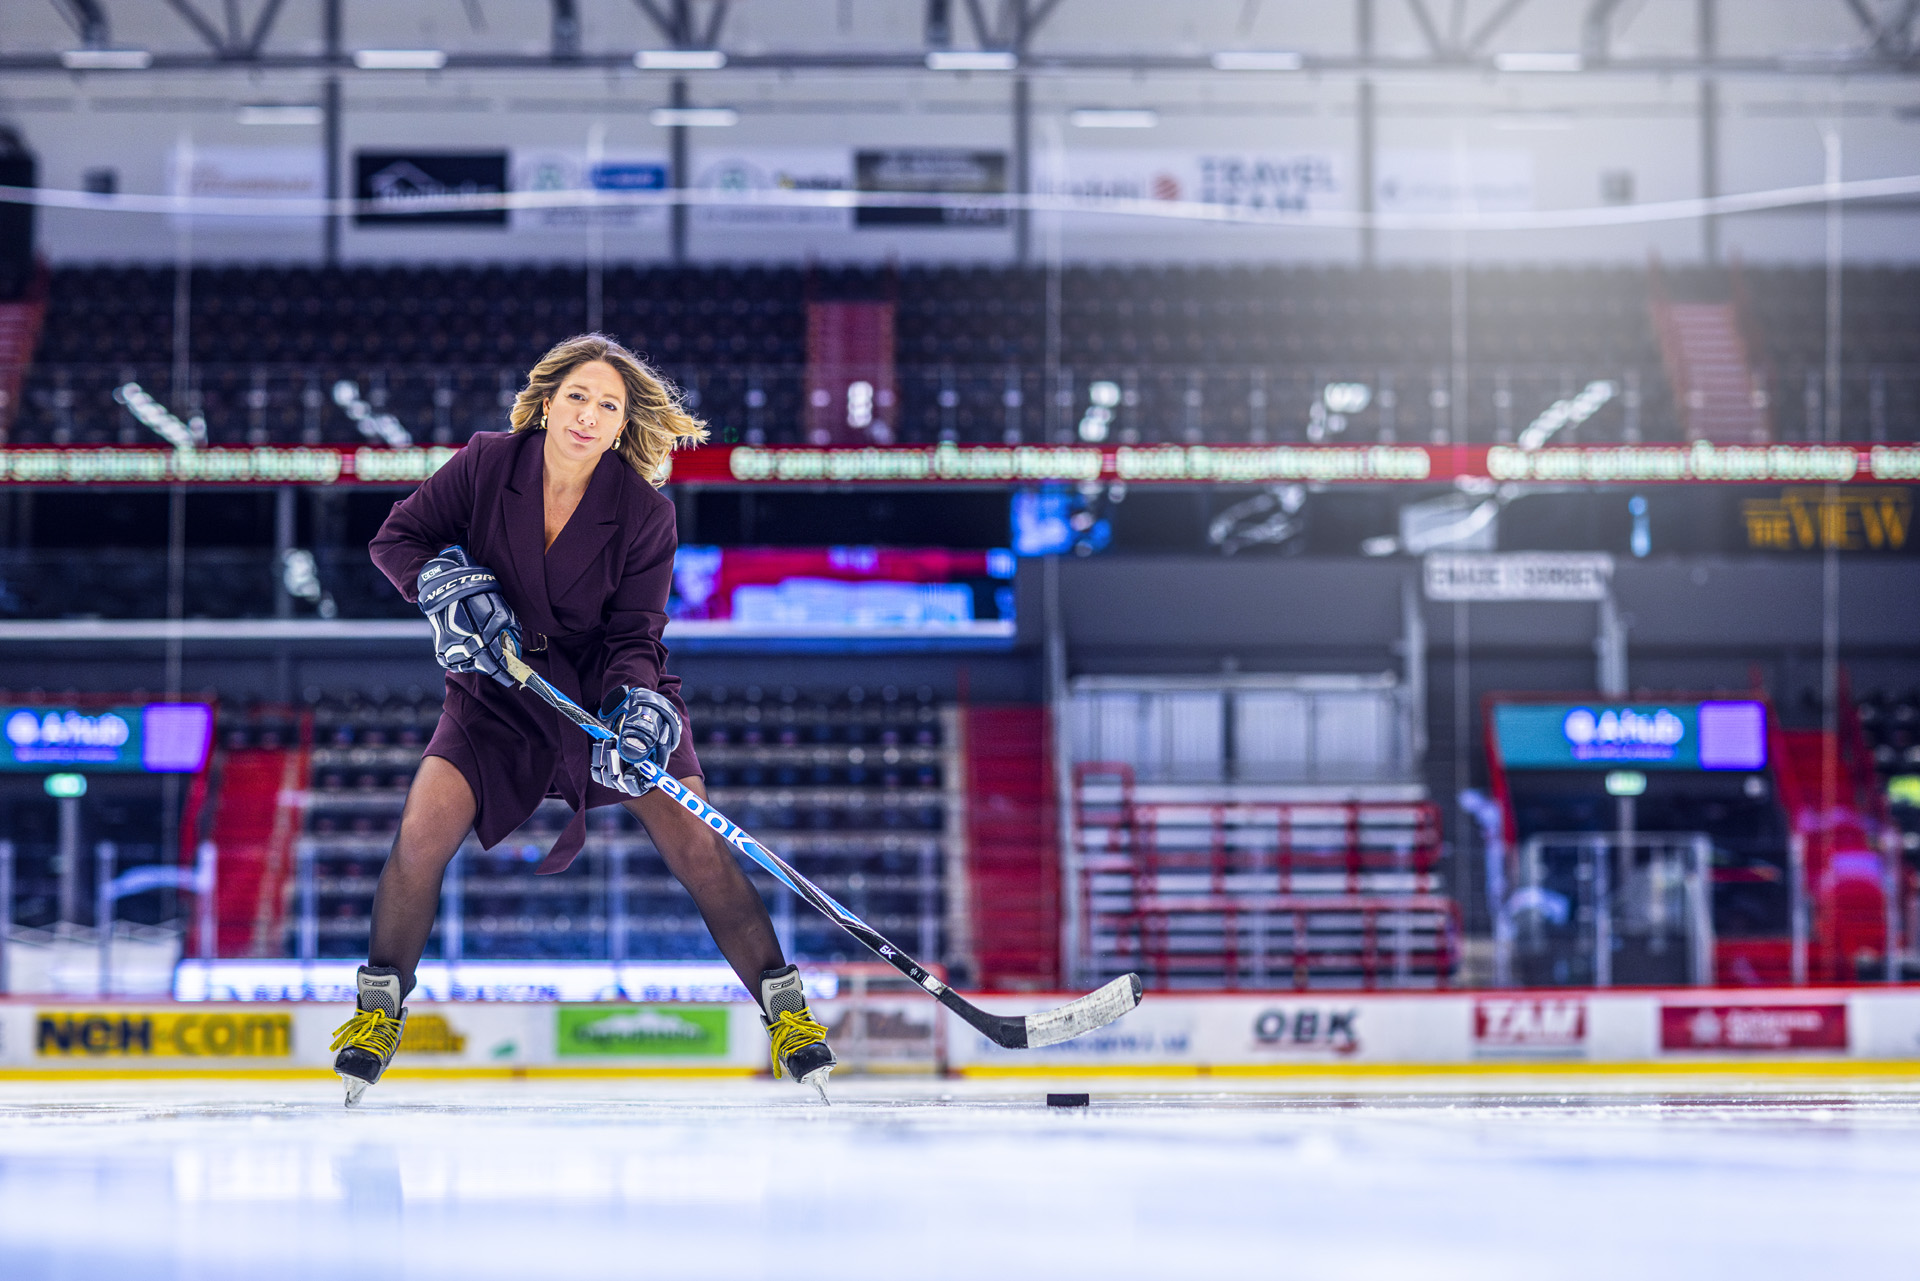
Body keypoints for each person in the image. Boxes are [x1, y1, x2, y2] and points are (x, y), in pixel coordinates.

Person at [328, 333, 834, 1105]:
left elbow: (637, 635)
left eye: (609, 405)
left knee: (698, 847)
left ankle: (786, 1012)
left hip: (609, 696)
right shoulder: (488, 462)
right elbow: (397, 537)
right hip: (495, 693)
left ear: (625, 423)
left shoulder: (643, 513)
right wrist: (442, 582)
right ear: (547, 399)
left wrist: (635, 716)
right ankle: (377, 1011)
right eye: (577, 396)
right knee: (419, 836)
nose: (588, 415)